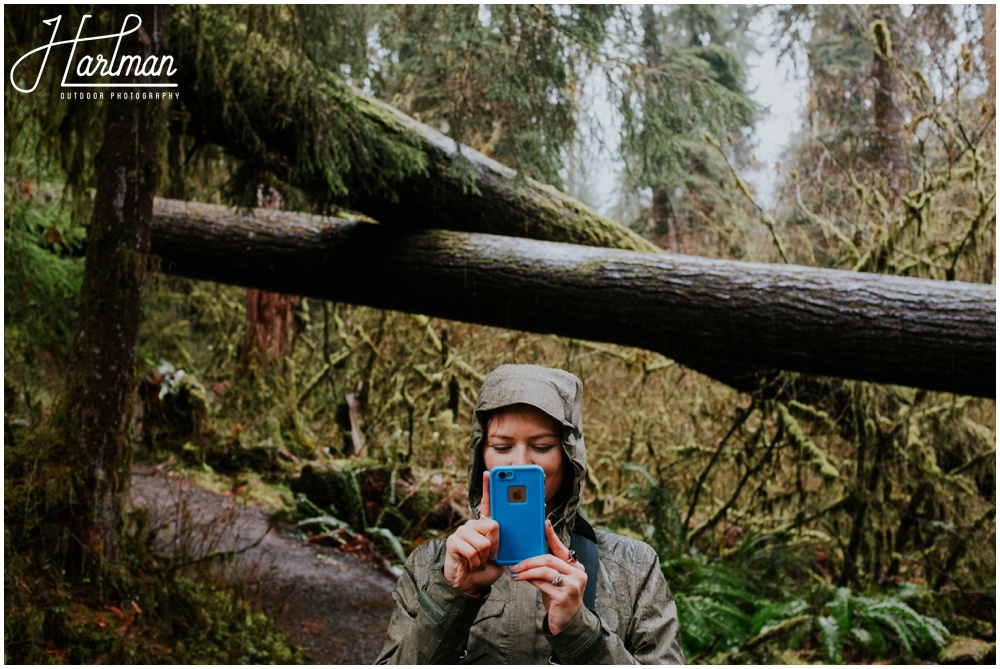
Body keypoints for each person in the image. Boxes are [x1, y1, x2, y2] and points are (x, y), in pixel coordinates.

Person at [376, 364, 684, 664]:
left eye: (541, 446)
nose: (520, 462)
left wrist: (579, 630)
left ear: (569, 455)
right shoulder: (430, 565)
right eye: (501, 446)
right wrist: (453, 593)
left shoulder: (634, 566)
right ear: (480, 455)